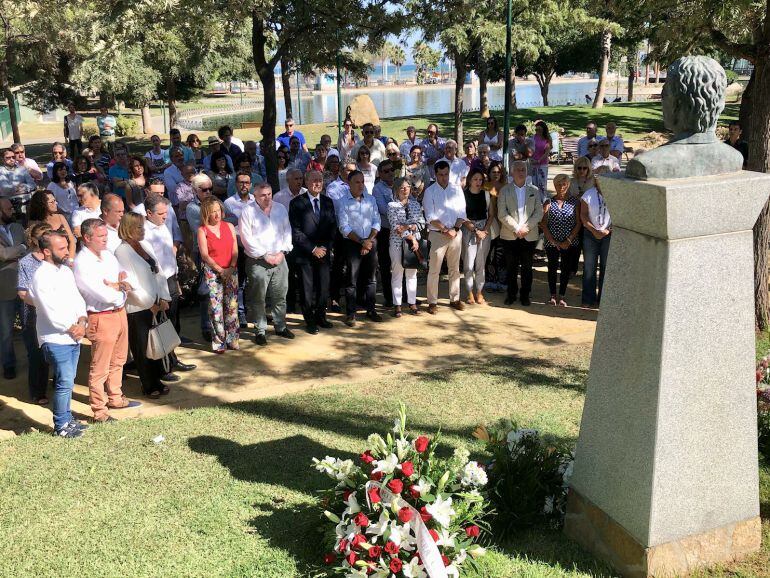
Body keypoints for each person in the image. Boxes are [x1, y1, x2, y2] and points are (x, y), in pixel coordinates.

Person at [74, 218, 141, 422]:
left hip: (119, 313)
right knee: (100, 366)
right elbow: (103, 295)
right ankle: (99, 410)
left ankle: (115, 397)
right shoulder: (82, 262)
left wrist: (118, 285)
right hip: (101, 317)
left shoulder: (108, 256)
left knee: (119, 359)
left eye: (105, 235)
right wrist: (120, 289)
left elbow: (126, 278)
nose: (105, 239)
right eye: (101, 236)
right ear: (87, 238)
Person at [30, 229, 90, 438]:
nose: (67, 251)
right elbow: (49, 309)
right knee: (64, 381)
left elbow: (77, 298)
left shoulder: (65, 271)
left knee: (69, 379)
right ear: (47, 251)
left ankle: (67, 418)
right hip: (55, 337)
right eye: (61, 248)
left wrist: (82, 320)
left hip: (74, 333)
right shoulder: (40, 276)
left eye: (66, 246)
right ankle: (61, 425)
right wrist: (72, 327)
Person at [114, 212, 173, 398]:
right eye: (139, 227)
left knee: (156, 343)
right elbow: (130, 284)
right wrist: (149, 304)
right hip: (138, 308)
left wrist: (163, 297)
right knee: (142, 347)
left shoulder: (144, 245)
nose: (143, 230)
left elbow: (158, 271)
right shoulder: (121, 251)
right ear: (129, 229)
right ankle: (148, 384)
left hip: (155, 302)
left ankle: (158, 379)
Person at [239, 183, 295, 345]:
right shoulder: (248, 211)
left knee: (280, 295)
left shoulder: (280, 209)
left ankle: (280, 326)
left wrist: (282, 252)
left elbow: (287, 232)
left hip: (280, 259)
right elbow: (246, 238)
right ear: (254, 196)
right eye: (263, 195)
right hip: (258, 261)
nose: (267, 197)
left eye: (269, 194)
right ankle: (260, 330)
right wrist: (265, 255)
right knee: (258, 298)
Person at [289, 170, 336, 334]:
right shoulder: (297, 203)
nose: (318, 183)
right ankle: (309, 320)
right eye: (314, 180)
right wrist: (313, 249)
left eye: (320, 180)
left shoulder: (328, 202)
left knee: (323, 288)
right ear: (306, 183)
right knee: (306, 290)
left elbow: (332, 227)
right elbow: (296, 232)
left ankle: (321, 316)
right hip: (305, 254)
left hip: (323, 253)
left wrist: (326, 248)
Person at [336, 170, 382, 326]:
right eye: (357, 182)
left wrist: (368, 241)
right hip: (351, 244)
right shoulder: (343, 201)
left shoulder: (371, 199)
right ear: (349, 183)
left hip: (370, 242)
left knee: (371, 278)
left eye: (362, 181)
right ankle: (351, 313)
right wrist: (362, 242)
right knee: (351, 279)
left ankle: (371, 310)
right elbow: (344, 227)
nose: (361, 185)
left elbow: (377, 221)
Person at [422, 160, 467, 314]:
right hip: (437, 235)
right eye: (440, 175)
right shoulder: (430, 191)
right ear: (436, 175)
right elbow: (430, 216)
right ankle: (432, 302)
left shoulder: (456, 189)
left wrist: (454, 229)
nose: (444, 177)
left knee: (455, 268)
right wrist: (445, 230)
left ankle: (455, 299)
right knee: (434, 270)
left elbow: (462, 213)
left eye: (446, 174)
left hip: (455, 234)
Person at [498, 161, 544, 307]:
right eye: (517, 169)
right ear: (512, 172)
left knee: (527, 267)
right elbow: (501, 213)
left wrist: (526, 227)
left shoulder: (534, 190)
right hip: (510, 235)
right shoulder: (504, 190)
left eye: (523, 169)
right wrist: (516, 228)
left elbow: (539, 212)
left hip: (528, 235)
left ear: (526, 172)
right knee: (511, 267)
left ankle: (525, 295)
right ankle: (511, 295)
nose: (520, 172)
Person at [197, 198, 239, 352]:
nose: (216, 214)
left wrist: (231, 267)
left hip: (231, 270)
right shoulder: (203, 230)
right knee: (215, 309)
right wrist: (220, 270)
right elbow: (205, 255)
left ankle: (232, 339)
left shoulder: (229, 226)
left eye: (218, 210)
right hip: (213, 273)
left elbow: (235, 249)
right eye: (212, 211)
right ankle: (219, 341)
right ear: (206, 213)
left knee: (232, 306)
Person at [17, 222, 51, 403]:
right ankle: (38, 391)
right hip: (32, 317)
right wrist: (42, 303)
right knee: (37, 354)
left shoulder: (53, 258)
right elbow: (22, 292)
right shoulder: (26, 262)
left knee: (52, 352)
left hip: (55, 315)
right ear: (35, 240)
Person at [541, 174, 581, 307]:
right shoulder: (549, 202)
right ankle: (552, 295)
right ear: (554, 185)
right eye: (558, 184)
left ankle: (562, 296)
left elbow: (578, 223)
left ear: (568, 185)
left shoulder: (575, 202)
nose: (561, 187)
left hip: (569, 242)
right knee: (552, 268)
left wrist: (568, 241)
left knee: (566, 268)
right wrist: (552, 240)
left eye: (564, 184)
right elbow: (544, 223)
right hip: (551, 242)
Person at [387, 177, 424, 317]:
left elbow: (421, 222)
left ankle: (412, 303)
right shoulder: (391, 205)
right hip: (397, 244)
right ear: (396, 189)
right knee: (397, 273)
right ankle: (397, 305)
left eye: (407, 186)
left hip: (414, 244)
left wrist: (408, 227)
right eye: (402, 187)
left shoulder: (415, 204)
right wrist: (411, 233)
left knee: (412, 274)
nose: (405, 189)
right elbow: (396, 227)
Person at [224, 171, 255, 327]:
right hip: (239, 248)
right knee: (241, 282)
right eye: (241, 182)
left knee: (256, 281)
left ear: (251, 184)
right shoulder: (229, 203)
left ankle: (256, 313)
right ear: (236, 184)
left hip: (255, 248)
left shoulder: (256, 201)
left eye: (247, 182)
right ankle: (241, 314)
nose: (244, 185)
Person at [186, 173, 215, 340]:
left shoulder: (216, 202)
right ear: (196, 190)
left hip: (221, 252)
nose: (209, 192)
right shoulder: (192, 208)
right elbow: (201, 230)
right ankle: (206, 327)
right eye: (205, 190)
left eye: (211, 189)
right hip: (203, 253)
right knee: (206, 291)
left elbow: (232, 219)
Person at [462, 168, 496, 305]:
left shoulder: (486, 194)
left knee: (481, 263)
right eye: (475, 179)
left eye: (480, 179)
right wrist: (476, 230)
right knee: (468, 263)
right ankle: (469, 291)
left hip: (484, 232)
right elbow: (462, 216)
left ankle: (479, 291)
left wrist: (484, 231)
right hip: (468, 230)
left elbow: (491, 214)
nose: (478, 182)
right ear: (470, 179)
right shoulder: (463, 195)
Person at [0, 198, 25, 379]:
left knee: (28, 327)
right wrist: (21, 248)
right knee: (6, 331)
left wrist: (13, 252)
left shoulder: (17, 227)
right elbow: (2, 254)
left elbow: (27, 247)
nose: (12, 211)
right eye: (8, 208)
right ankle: (8, 365)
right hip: (4, 287)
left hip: (23, 284)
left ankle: (35, 361)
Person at [580, 181, 611, 308]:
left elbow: (621, 215)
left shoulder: (615, 194)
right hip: (590, 235)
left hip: (608, 234)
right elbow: (583, 215)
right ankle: (588, 299)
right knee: (589, 268)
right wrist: (594, 230)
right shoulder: (588, 194)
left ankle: (603, 301)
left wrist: (608, 230)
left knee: (606, 267)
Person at [372, 160, 396, 307]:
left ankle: (405, 295)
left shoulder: (400, 184)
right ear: (380, 174)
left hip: (401, 230)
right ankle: (389, 297)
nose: (390, 173)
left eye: (392, 169)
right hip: (386, 231)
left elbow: (410, 201)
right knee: (386, 265)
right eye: (386, 171)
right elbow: (383, 209)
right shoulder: (377, 189)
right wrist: (400, 210)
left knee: (402, 264)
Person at [28, 190, 77, 258]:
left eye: (55, 200)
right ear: (42, 205)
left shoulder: (60, 217)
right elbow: (35, 247)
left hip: (68, 255)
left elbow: (72, 240)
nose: (56, 203)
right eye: (52, 202)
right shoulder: (34, 224)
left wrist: (70, 259)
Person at [530, 120, 552, 202]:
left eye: (539, 130)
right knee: (533, 183)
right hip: (533, 164)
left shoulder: (547, 139)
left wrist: (539, 161)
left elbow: (546, 153)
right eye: (536, 130)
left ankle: (543, 200)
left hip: (542, 164)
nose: (537, 131)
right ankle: (534, 201)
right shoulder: (533, 138)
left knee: (542, 184)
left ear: (543, 130)